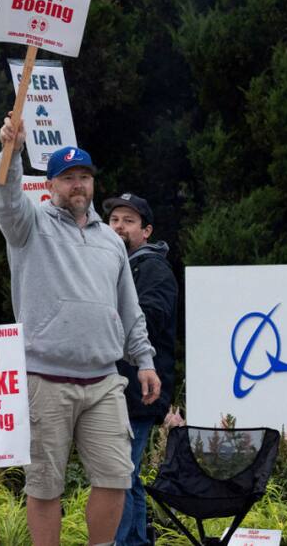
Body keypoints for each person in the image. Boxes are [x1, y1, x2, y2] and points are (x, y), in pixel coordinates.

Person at [0, 119, 161, 546]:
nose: (78, 185)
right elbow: (6, 199)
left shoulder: (111, 240)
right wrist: (11, 152)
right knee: (45, 484)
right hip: (45, 379)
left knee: (117, 476)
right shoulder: (28, 226)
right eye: (68, 178)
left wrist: (144, 360)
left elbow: (128, 306)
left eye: (84, 177)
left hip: (104, 379)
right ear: (50, 186)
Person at [103, 193, 179, 546]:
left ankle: (128, 542)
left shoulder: (153, 268)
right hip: (113, 387)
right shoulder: (108, 264)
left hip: (139, 391)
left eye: (128, 221)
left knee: (121, 474)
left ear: (146, 231)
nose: (119, 226)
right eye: (114, 219)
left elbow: (149, 318)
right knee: (125, 475)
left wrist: (103, 320)